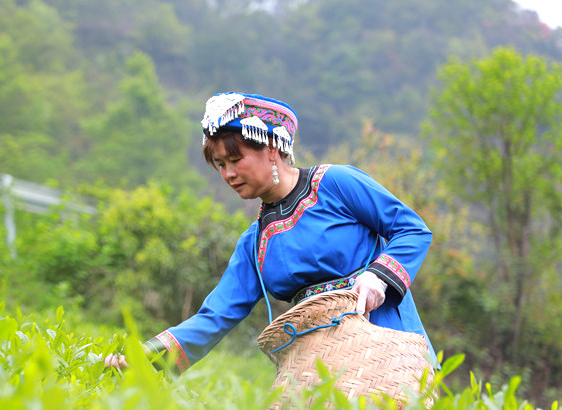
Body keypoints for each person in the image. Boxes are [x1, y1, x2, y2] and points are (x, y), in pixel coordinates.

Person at [105, 91, 435, 372]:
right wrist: (142, 358)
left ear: (272, 148)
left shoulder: (336, 184)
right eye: (220, 165)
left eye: (236, 159)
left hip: (389, 351)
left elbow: (412, 229)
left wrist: (378, 276)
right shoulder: (254, 242)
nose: (228, 174)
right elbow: (215, 315)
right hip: (317, 370)